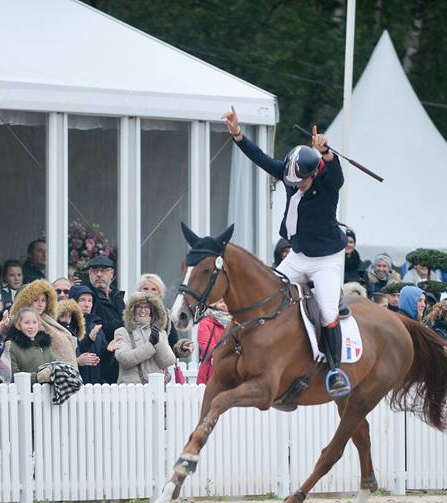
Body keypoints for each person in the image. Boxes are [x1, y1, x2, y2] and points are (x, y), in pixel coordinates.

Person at [224, 108, 351, 397]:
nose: (296, 187)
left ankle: (335, 370)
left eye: (301, 183)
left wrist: (327, 151)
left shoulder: (327, 184)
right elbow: (261, 159)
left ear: (314, 173)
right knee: (266, 294)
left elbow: (338, 175)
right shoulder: (290, 172)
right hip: (297, 255)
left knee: (329, 311)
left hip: (326, 260)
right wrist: (237, 134)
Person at [110, 292, 176, 385]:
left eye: (147, 307)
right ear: (132, 310)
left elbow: (168, 361)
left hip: (156, 387)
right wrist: (150, 346)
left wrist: (157, 343)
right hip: (131, 389)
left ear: (152, 310)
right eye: (139, 307)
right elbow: (124, 359)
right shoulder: (122, 332)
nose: (143, 310)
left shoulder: (160, 333)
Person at [10, 279, 78, 366]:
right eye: (36, 300)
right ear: (26, 301)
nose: (40, 304)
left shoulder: (49, 320)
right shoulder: (20, 323)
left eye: (43, 300)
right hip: (46, 374)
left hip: (66, 372)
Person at [136, 273, 194, 362]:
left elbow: (172, 344)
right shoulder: (130, 312)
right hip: (137, 366)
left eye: (154, 289)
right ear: (139, 291)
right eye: (145, 288)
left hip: (160, 369)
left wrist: (182, 347)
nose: (149, 292)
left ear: (159, 293)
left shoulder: (166, 314)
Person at [87, 255, 124, 384]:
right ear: (89, 274)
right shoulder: (88, 297)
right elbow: (97, 326)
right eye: (94, 271)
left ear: (112, 274)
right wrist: (123, 325)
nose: (98, 274)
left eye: (103, 270)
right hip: (101, 361)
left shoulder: (117, 295)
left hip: (123, 360)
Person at [68, 284, 106, 385]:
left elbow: (103, 359)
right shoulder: (67, 325)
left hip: (95, 385)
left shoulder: (97, 326)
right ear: (73, 301)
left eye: (90, 301)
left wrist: (110, 351)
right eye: (82, 300)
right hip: (73, 384)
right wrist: (77, 362)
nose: (87, 304)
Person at [7, 307, 55, 383]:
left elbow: (54, 365)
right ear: (18, 325)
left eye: (34, 322)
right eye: (27, 322)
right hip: (25, 393)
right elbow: (11, 376)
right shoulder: (12, 347)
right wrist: (36, 378)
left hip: (47, 392)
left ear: (39, 325)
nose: (31, 326)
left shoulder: (44, 346)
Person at [197, 299, 231, 385]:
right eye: (220, 302)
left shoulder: (235, 323)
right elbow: (208, 349)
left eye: (226, 301)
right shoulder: (206, 323)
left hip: (232, 373)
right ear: (214, 305)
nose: (224, 305)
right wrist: (230, 350)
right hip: (211, 374)